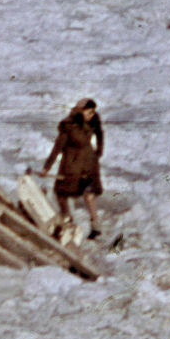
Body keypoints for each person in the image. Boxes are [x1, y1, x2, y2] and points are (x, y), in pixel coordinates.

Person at [40, 98, 104, 238]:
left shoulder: (93, 120)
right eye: (87, 112)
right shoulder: (69, 125)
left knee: (89, 194)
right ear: (80, 111)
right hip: (72, 164)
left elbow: (100, 132)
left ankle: (95, 226)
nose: (90, 115)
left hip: (88, 163)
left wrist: (99, 150)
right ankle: (67, 222)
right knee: (62, 194)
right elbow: (58, 146)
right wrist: (47, 167)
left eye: (92, 112)